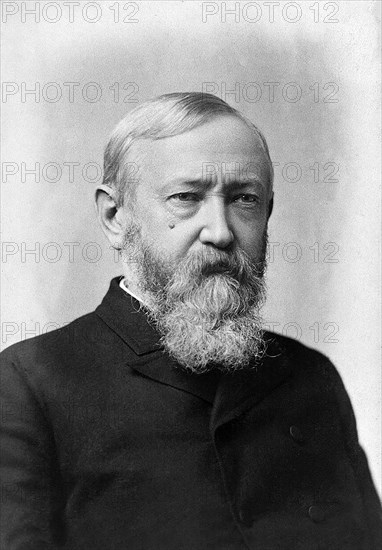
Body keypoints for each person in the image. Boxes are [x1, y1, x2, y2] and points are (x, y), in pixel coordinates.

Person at [1, 92, 381, 550]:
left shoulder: (310, 376)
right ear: (114, 217)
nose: (220, 232)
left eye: (244, 199)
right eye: (186, 198)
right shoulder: (27, 384)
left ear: (268, 214)